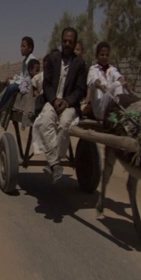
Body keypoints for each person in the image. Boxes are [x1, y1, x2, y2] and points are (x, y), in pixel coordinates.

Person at [32, 27, 87, 184]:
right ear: (61, 41)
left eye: (70, 41)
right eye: (65, 41)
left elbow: (80, 89)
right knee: (44, 122)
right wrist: (55, 100)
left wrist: (67, 101)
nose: (67, 44)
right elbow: (47, 84)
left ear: (75, 43)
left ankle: (54, 161)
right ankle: (56, 164)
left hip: (69, 104)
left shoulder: (80, 64)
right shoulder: (52, 59)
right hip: (52, 101)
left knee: (64, 125)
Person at [0, 36, 37, 126]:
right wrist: (12, 78)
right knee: (3, 85)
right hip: (23, 83)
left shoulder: (32, 60)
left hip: (27, 86)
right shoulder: (25, 60)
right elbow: (22, 75)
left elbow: (27, 78)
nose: (21, 48)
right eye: (21, 46)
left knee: (11, 87)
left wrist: (13, 82)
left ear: (30, 48)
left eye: (23, 46)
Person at [86, 41, 129, 120]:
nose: (104, 57)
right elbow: (94, 80)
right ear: (97, 56)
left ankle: (120, 110)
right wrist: (100, 86)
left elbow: (118, 76)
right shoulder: (93, 69)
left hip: (109, 105)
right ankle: (120, 111)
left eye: (107, 55)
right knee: (117, 84)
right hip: (100, 109)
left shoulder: (111, 69)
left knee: (120, 84)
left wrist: (124, 82)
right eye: (102, 55)